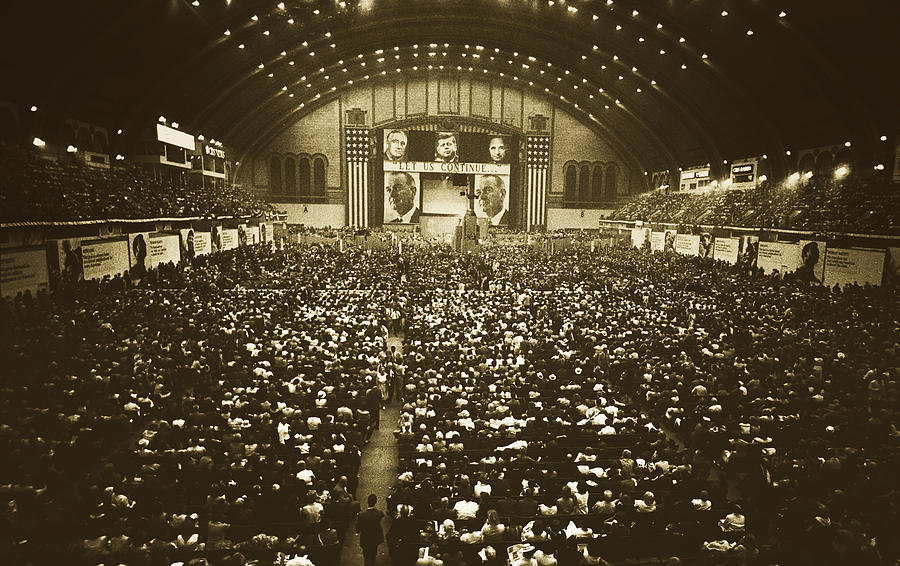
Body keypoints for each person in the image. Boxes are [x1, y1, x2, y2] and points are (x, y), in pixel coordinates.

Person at [357, 494, 385, 566]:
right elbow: (382, 515)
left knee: (366, 556)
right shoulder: (379, 513)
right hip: (375, 538)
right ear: (375, 502)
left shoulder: (362, 515)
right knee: (373, 555)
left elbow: (358, 529)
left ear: (367, 502)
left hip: (365, 538)